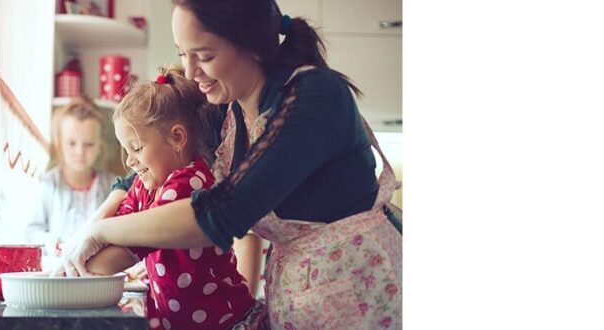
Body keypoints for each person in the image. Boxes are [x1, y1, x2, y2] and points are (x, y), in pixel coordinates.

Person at [55, 0, 403, 328]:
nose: (191, 71)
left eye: (203, 55)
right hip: (303, 295)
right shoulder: (225, 107)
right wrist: (90, 228)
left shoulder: (315, 96)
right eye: (182, 54)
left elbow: (222, 213)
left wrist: (101, 232)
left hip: (364, 290)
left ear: (250, 45)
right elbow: (138, 174)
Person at [81, 67, 260, 329]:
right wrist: (87, 239)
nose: (131, 161)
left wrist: (80, 261)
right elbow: (122, 217)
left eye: (137, 148)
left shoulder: (188, 184)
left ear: (177, 138)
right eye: (126, 150)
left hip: (226, 323)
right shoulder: (146, 185)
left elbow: (129, 248)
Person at [24, 97, 117, 257]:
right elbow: (32, 230)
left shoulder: (114, 186)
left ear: (99, 147)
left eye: (88, 144)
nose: (80, 152)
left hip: (99, 269)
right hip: (58, 267)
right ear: (60, 145)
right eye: (72, 143)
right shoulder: (48, 183)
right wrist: (50, 242)